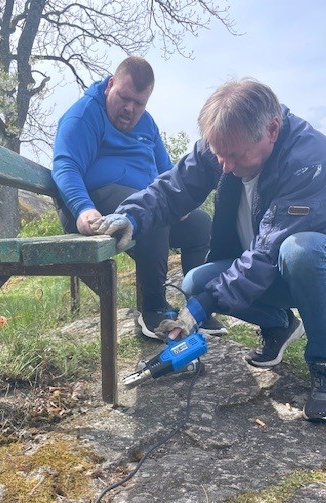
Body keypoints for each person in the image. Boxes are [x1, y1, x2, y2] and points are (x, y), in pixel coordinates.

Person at [90, 78, 326, 422]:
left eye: (234, 155)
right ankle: (279, 325)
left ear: (272, 130)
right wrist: (131, 216)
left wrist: (204, 306)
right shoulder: (225, 142)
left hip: (315, 271)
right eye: (219, 154)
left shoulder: (311, 161)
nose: (225, 166)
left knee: (299, 250)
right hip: (266, 265)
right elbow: (173, 187)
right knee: (195, 283)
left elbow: (269, 250)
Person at [52, 56, 226, 339]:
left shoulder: (147, 124)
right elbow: (66, 166)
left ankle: (199, 309)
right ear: (111, 85)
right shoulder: (84, 115)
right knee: (152, 213)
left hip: (137, 205)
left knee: (199, 224)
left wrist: (181, 200)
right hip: (93, 205)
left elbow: (167, 170)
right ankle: (153, 309)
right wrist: (82, 208)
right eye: (124, 98)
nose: (130, 109)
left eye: (139, 103)